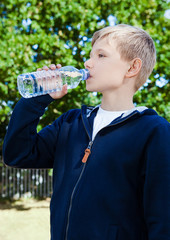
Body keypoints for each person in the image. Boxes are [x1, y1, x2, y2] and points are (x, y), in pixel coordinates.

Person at [3, 24, 170, 240]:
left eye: (101, 55)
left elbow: (163, 221)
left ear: (132, 68)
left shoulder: (154, 132)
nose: (88, 63)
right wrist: (38, 98)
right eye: (90, 55)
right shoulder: (71, 123)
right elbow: (17, 154)